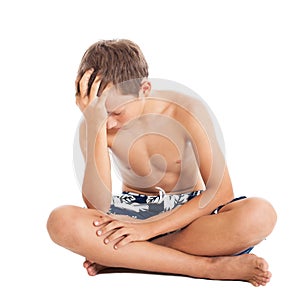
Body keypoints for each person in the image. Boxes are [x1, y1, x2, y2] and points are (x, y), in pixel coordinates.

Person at [47, 39, 277, 287]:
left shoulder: (185, 110)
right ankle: (206, 267)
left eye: (116, 112)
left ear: (144, 89)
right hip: (132, 213)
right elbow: (98, 205)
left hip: (189, 213)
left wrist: (149, 230)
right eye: (100, 113)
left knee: (260, 215)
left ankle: (126, 258)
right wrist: (94, 124)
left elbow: (221, 193)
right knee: (61, 221)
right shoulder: (95, 123)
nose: (109, 123)